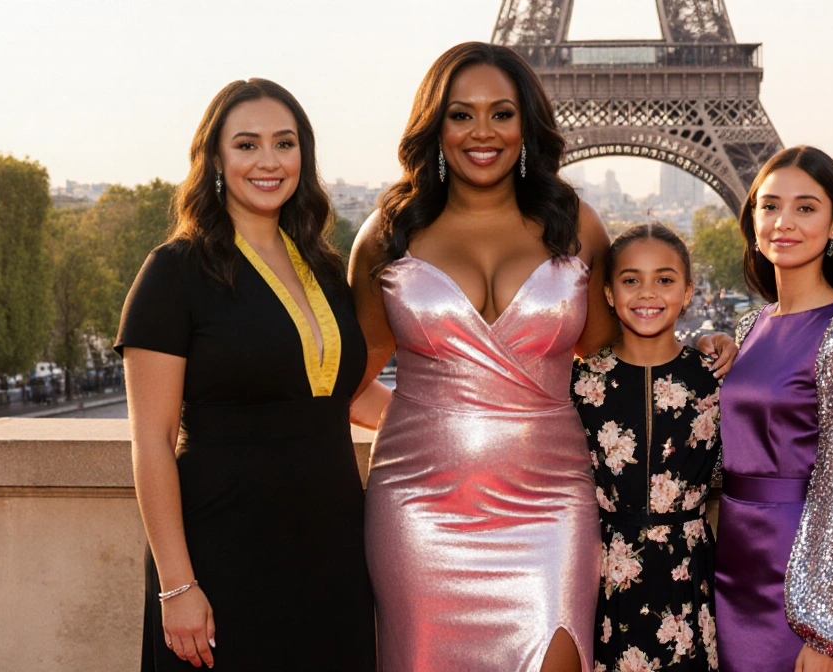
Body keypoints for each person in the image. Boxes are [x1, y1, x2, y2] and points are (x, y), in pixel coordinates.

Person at [350, 43, 736, 672]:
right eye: (460, 114)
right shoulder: (387, 233)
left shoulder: (575, 224)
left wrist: (709, 349)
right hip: (418, 511)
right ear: (434, 126)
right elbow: (347, 376)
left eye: (501, 113)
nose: (482, 131)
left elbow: (615, 359)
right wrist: (437, 416)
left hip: (549, 508)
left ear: (526, 124)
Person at [116, 79, 385, 670]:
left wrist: (460, 424)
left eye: (284, 143)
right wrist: (177, 586)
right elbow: (152, 442)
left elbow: (339, 394)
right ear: (215, 159)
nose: (269, 160)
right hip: (223, 555)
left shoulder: (323, 267)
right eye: (246, 144)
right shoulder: (174, 273)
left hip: (333, 553)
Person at [713, 146, 833, 672]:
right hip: (730, 566)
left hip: (797, 577)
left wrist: (828, 633)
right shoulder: (750, 326)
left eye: (805, 208)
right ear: (753, 221)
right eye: (770, 206)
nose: (783, 222)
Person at [571, 225, 722, 671]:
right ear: (608, 292)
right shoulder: (580, 382)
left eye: (665, 279)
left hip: (688, 574)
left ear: (688, 291)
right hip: (606, 574)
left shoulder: (714, 378)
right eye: (631, 279)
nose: (648, 293)